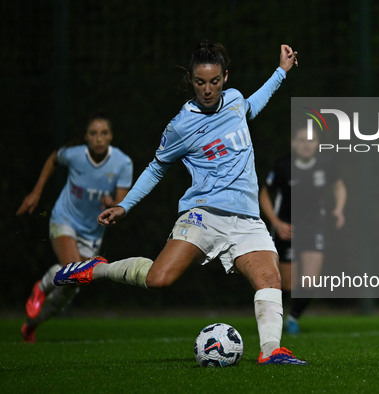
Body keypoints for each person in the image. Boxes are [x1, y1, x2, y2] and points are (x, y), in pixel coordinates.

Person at [53, 40, 306, 365]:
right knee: (159, 279)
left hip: (246, 219)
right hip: (204, 214)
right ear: (191, 80)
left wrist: (281, 72)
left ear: (225, 77)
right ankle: (97, 269)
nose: (208, 89)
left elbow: (252, 104)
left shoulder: (234, 101)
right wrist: (124, 205)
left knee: (270, 279)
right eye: (200, 82)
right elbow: (157, 167)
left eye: (214, 81)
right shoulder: (181, 125)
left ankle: (271, 351)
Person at [17, 113, 133, 342]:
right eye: (93, 133)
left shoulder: (123, 162)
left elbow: (121, 201)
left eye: (104, 133)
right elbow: (53, 159)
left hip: (92, 232)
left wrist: (112, 205)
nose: (99, 138)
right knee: (72, 268)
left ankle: (31, 325)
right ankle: (40, 288)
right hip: (65, 219)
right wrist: (37, 191)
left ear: (111, 136)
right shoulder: (75, 155)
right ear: (86, 137)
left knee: (72, 285)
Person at [259, 126, 346, 334]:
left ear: (317, 143)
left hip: (315, 226)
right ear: (293, 143)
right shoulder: (283, 166)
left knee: (310, 279)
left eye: (311, 140)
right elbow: (264, 194)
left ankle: (292, 318)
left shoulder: (326, 165)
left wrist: (339, 209)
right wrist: (276, 223)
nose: (307, 144)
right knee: (288, 285)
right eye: (302, 140)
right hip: (287, 229)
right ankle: (273, 316)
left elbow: (339, 186)